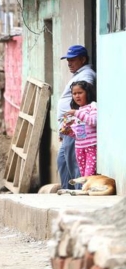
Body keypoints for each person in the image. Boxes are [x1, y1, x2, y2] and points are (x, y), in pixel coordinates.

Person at [56, 45, 96, 190]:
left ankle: (79, 192)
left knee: (75, 163)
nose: (69, 63)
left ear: (83, 59)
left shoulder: (86, 75)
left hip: (78, 126)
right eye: (68, 60)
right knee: (63, 161)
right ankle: (68, 191)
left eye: (72, 60)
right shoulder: (79, 74)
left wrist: (75, 115)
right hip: (70, 128)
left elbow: (85, 97)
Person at [61, 81, 97, 178]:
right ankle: (85, 191)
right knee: (82, 175)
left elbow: (93, 121)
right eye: (74, 94)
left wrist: (76, 113)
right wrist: (68, 130)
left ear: (87, 93)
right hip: (79, 148)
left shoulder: (92, 106)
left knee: (88, 175)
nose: (77, 96)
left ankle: (87, 191)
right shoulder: (78, 110)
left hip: (91, 147)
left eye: (80, 93)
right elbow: (80, 134)